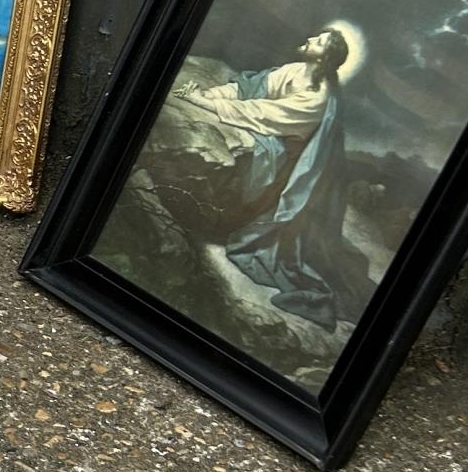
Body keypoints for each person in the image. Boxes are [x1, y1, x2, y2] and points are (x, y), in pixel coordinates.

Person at [135, 27, 369, 329]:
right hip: (270, 130)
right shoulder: (296, 70)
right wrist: (210, 94)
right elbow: (252, 87)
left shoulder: (318, 98)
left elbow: (261, 113)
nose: (311, 39)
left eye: (319, 41)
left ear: (326, 57)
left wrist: (200, 102)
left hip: (287, 159)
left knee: (257, 166)